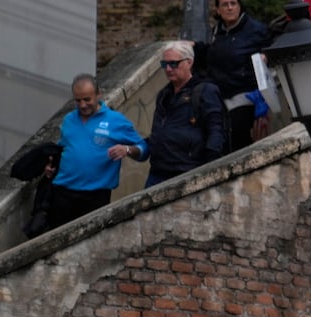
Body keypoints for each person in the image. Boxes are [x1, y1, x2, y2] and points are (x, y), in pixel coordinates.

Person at [35, 75, 146, 233]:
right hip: (62, 192)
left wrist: (127, 150)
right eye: (78, 100)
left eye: (87, 99)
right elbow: (64, 148)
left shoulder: (116, 121)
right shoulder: (68, 120)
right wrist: (51, 165)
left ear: (99, 94)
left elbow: (144, 150)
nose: (83, 105)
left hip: (95, 196)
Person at [121, 42, 227, 187]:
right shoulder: (164, 95)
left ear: (189, 62)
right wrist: (131, 149)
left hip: (188, 171)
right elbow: (158, 134)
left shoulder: (205, 90)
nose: (169, 69)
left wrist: (209, 170)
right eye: (165, 64)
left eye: (174, 64)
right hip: (158, 172)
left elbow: (216, 131)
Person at [194, 0, 273, 154]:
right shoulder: (216, 32)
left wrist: (267, 56)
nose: (230, 8)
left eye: (233, 3)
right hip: (220, 97)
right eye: (225, 4)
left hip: (245, 98)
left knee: (240, 144)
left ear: (239, 6)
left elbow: (271, 50)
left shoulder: (256, 30)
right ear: (218, 10)